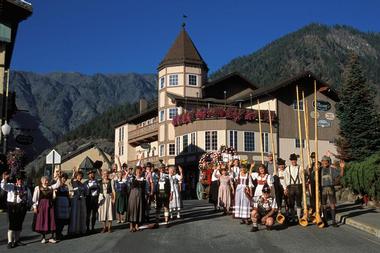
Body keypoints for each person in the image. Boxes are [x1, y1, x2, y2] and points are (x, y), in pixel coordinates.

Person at [1, 172, 31, 248]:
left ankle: (17, 240)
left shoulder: (25, 187)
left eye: (21, 179)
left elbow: (28, 197)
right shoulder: (11, 186)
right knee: (12, 225)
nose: (20, 180)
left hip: (21, 207)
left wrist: (28, 204)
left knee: (19, 224)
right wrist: (4, 179)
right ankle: (10, 242)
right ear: (16, 180)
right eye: (18, 179)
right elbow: (3, 186)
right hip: (12, 207)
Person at [32, 176, 61, 244]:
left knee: (51, 220)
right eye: (45, 180)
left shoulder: (50, 187)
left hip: (50, 205)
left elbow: (57, 184)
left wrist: (58, 178)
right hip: (42, 206)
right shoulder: (38, 188)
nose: (47, 181)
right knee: (43, 220)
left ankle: (51, 237)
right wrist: (35, 207)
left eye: (47, 180)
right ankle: (43, 238)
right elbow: (34, 199)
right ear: (42, 181)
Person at [320, 156, 345, 227]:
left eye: (326, 161)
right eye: (323, 161)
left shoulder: (332, 169)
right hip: (322, 189)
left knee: (332, 205)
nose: (324, 162)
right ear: (321, 162)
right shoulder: (319, 170)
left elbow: (341, 175)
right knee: (324, 205)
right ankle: (325, 221)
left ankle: (334, 222)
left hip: (331, 188)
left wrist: (342, 167)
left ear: (328, 162)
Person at [283, 153, 304, 223]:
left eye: (294, 160)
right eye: (292, 160)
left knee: (298, 203)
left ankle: (298, 218)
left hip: (299, 186)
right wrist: (285, 188)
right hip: (290, 187)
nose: (293, 162)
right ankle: (293, 217)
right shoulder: (287, 168)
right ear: (290, 161)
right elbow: (284, 179)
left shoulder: (300, 167)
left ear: (296, 160)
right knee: (291, 203)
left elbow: (303, 177)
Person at [127, 167, 146, 232]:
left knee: (138, 210)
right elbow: (126, 181)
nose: (138, 172)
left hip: (140, 196)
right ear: (135, 171)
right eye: (137, 171)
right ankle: (131, 226)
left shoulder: (143, 179)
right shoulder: (132, 178)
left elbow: (144, 188)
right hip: (132, 196)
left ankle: (137, 225)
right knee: (132, 210)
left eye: (140, 171)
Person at [69, 171, 87, 236]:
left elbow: (85, 192)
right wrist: (73, 173)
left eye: (81, 176)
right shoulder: (74, 182)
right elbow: (72, 181)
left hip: (82, 200)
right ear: (76, 176)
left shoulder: (82, 184)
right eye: (79, 176)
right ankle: (74, 230)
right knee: (75, 214)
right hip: (76, 200)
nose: (80, 177)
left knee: (81, 214)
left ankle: (80, 229)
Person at [54, 173, 70, 240]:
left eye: (65, 179)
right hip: (59, 204)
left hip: (65, 204)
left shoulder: (66, 186)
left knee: (63, 219)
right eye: (63, 178)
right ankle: (57, 234)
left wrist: (69, 202)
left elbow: (67, 195)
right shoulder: (57, 186)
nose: (64, 180)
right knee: (58, 220)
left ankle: (60, 233)